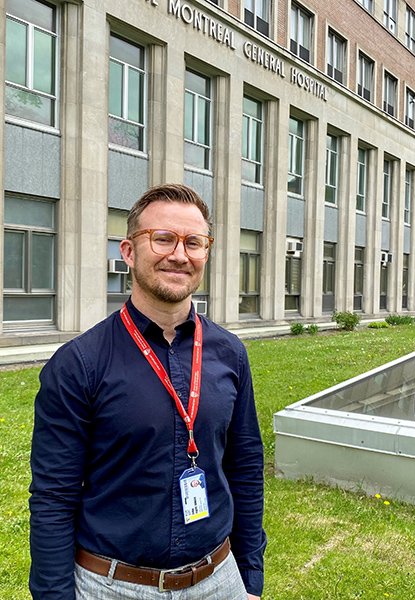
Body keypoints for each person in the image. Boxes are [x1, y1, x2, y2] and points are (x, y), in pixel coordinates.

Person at [29, 184, 266, 600]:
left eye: (194, 242)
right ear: (128, 251)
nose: (179, 255)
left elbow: (245, 466)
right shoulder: (79, 364)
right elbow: (53, 497)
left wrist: (249, 577)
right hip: (112, 586)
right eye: (163, 238)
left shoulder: (230, 353)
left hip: (220, 579)